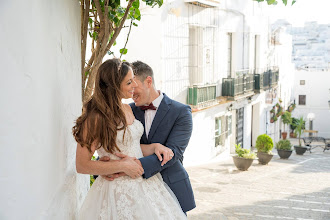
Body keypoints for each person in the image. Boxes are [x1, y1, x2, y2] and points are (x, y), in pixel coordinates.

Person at [73, 58, 187, 219]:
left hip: (146, 186)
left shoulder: (127, 108)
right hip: (115, 191)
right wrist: (121, 165)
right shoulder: (96, 117)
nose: (134, 84)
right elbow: (82, 165)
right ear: (113, 86)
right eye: (129, 82)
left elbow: (130, 146)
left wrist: (154, 147)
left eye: (133, 79)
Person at [101, 61, 196, 213]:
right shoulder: (126, 110)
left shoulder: (181, 112)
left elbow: (173, 153)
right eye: (128, 83)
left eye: (134, 83)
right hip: (131, 192)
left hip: (170, 188)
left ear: (148, 81)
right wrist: (107, 164)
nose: (131, 90)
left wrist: (129, 167)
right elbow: (116, 144)